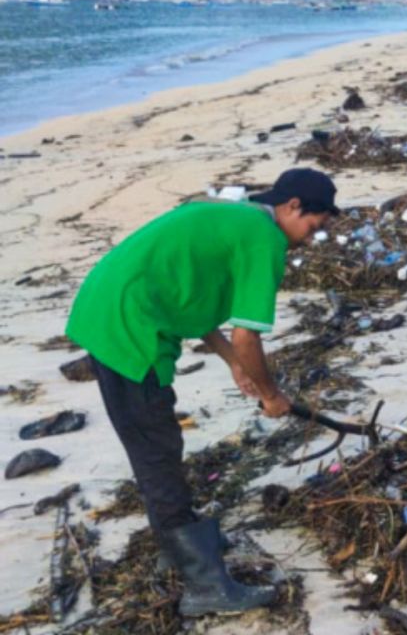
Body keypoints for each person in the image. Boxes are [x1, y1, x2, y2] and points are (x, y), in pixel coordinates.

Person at [65, 168, 339, 617]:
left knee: (155, 444)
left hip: (108, 304)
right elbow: (249, 336)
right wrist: (271, 395)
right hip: (130, 326)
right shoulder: (264, 238)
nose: (310, 239)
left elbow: (192, 293)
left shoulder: (234, 215)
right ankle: (205, 586)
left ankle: (178, 550)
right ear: (292, 206)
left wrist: (232, 361)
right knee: (157, 449)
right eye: (314, 226)